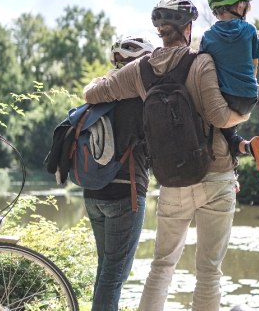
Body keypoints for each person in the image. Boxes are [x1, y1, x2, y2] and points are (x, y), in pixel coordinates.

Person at [83, 0, 249, 311]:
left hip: (173, 180)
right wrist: (241, 116)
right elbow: (218, 116)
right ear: (188, 27)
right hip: (215, 176)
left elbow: (93, 94)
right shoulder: (201, 62)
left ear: (159, 30)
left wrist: (100, 80)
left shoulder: (139, 70)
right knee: (209, 271)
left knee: (162, 265)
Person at [83, 36, 154, 311]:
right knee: (114, 276)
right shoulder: (140, 102)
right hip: (127, 194)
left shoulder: (99, 96)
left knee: (106, 272)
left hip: (93, 193)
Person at [200, 0, 259, 180]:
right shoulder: (250, 31)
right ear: (240, 4)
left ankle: (234, 160)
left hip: (225, 96)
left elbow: (203, 69)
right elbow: (254, 67)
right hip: (249, 97)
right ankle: (249, 147)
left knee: (222, 134)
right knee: (229, 133)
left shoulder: (208, 37)